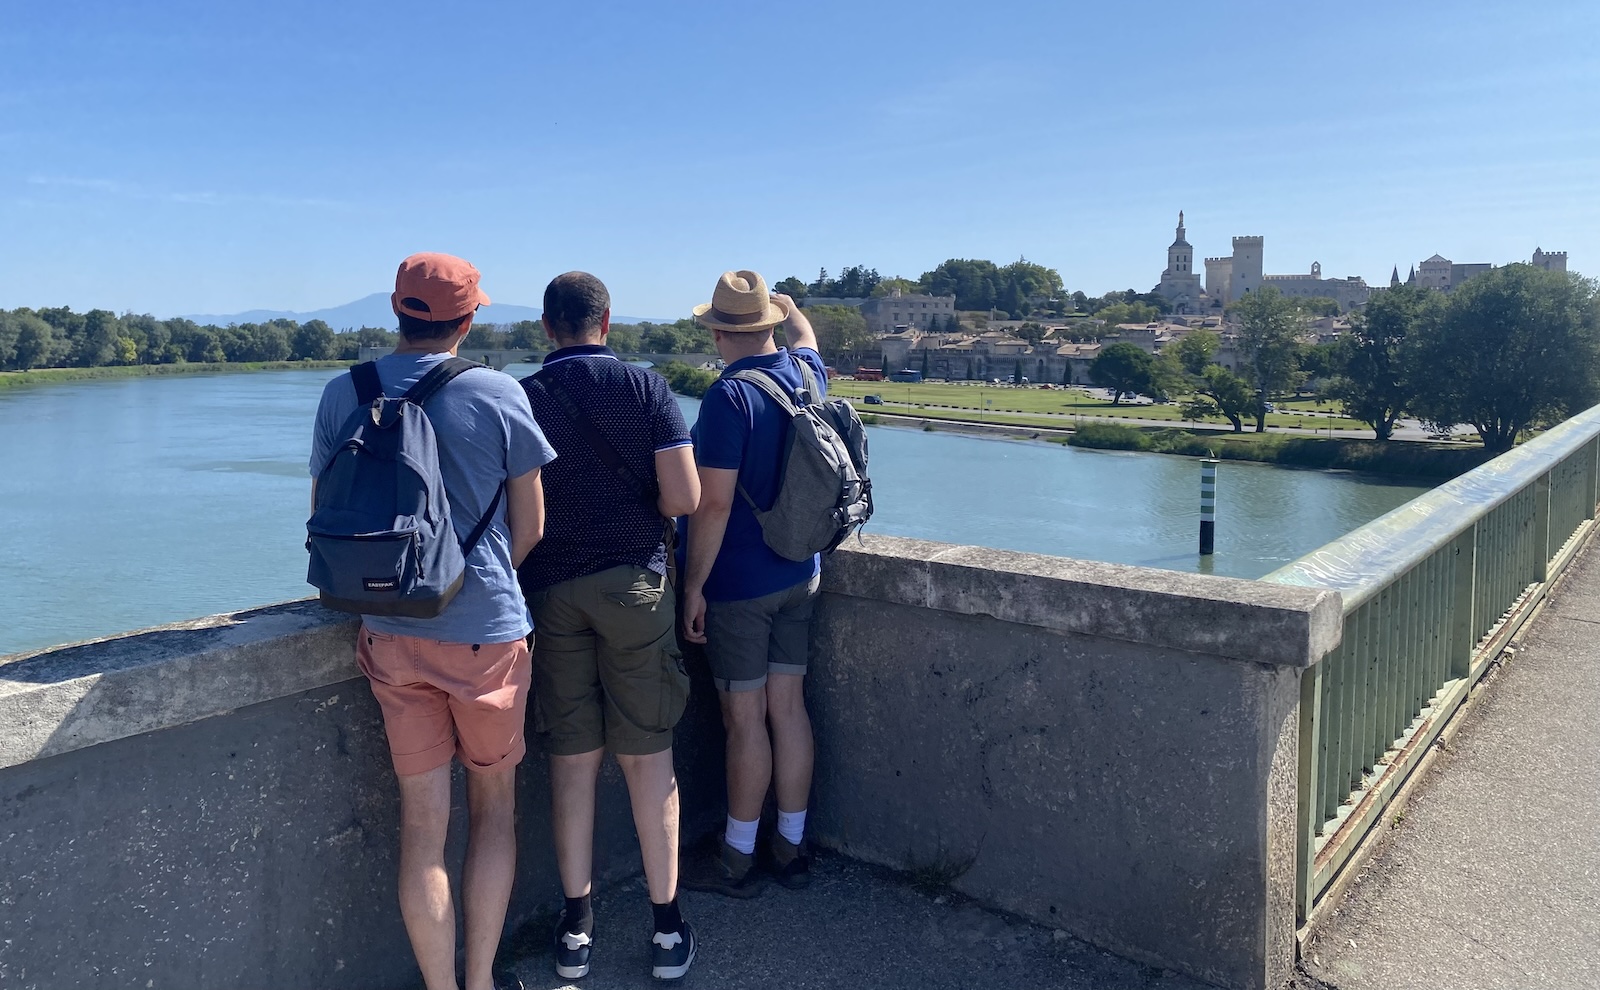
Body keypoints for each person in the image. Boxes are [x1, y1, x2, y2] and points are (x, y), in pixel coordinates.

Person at [310, 253, 555, 990]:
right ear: (472, 315)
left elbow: (325, 515)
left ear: (395, 308)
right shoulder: (499, 393)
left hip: (390, 633)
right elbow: (531, 526)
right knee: (494, 810)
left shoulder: (341, 393)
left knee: (423, 830)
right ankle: (480, 980)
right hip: (483, 633)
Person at [516, 272, 701, 981]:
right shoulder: (647, 389)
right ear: (608, 321)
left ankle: (576, 929)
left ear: (546, 326)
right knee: (648, 760)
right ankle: (666, 929)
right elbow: (683, 495)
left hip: (552, 590)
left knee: (573, 761)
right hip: (634, 587)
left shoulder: (525, 396)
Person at [679, 270, 824, 897]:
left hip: (739, 583)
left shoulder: (728, 398)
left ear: (716, 332)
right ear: (767, 324)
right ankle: (790, 848)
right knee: (788, 711)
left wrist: (692, 587)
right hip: (801, 571)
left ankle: (737, 859)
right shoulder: (805, 373)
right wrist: (789, 311)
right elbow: (809, 336)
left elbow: (710, 506)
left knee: (745, 721)